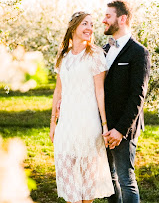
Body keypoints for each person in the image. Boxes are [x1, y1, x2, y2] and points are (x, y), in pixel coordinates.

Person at [49, 11, 115, 203]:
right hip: (66, 125)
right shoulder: (63, 57)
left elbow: (100, 91)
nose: (90, 28)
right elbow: (58, 91)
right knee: (71, 189)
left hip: (88, 124)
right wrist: (53, 122)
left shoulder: (95, 55)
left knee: (87, 188)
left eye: (92, 25)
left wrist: (104, 124)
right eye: (85, 24)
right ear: (74, 27)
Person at [102, 0, 151, 203]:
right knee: (107, 178)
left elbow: (137, 96)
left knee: (125, 179)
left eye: (108, 16)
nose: (103, 20)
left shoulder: (139, 52)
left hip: (124, 129)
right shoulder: (105, 49)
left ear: (122, 19)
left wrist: (120, 130)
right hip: (103, 126)